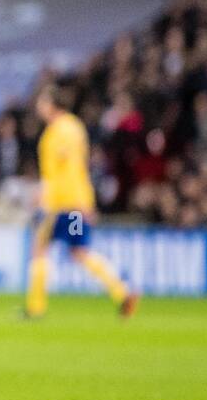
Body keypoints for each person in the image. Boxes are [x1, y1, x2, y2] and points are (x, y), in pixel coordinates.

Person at [26, 85, 139, 319]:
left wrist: (44, 196)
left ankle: (36, 308)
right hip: (79, 200)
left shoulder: (58, 131)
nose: (39, 106)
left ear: (52, 104)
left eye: (42, 101)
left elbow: (62, 167)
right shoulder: (75, 126)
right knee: (79, 251)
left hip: (61, 203)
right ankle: (122, 291)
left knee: (40, 249)